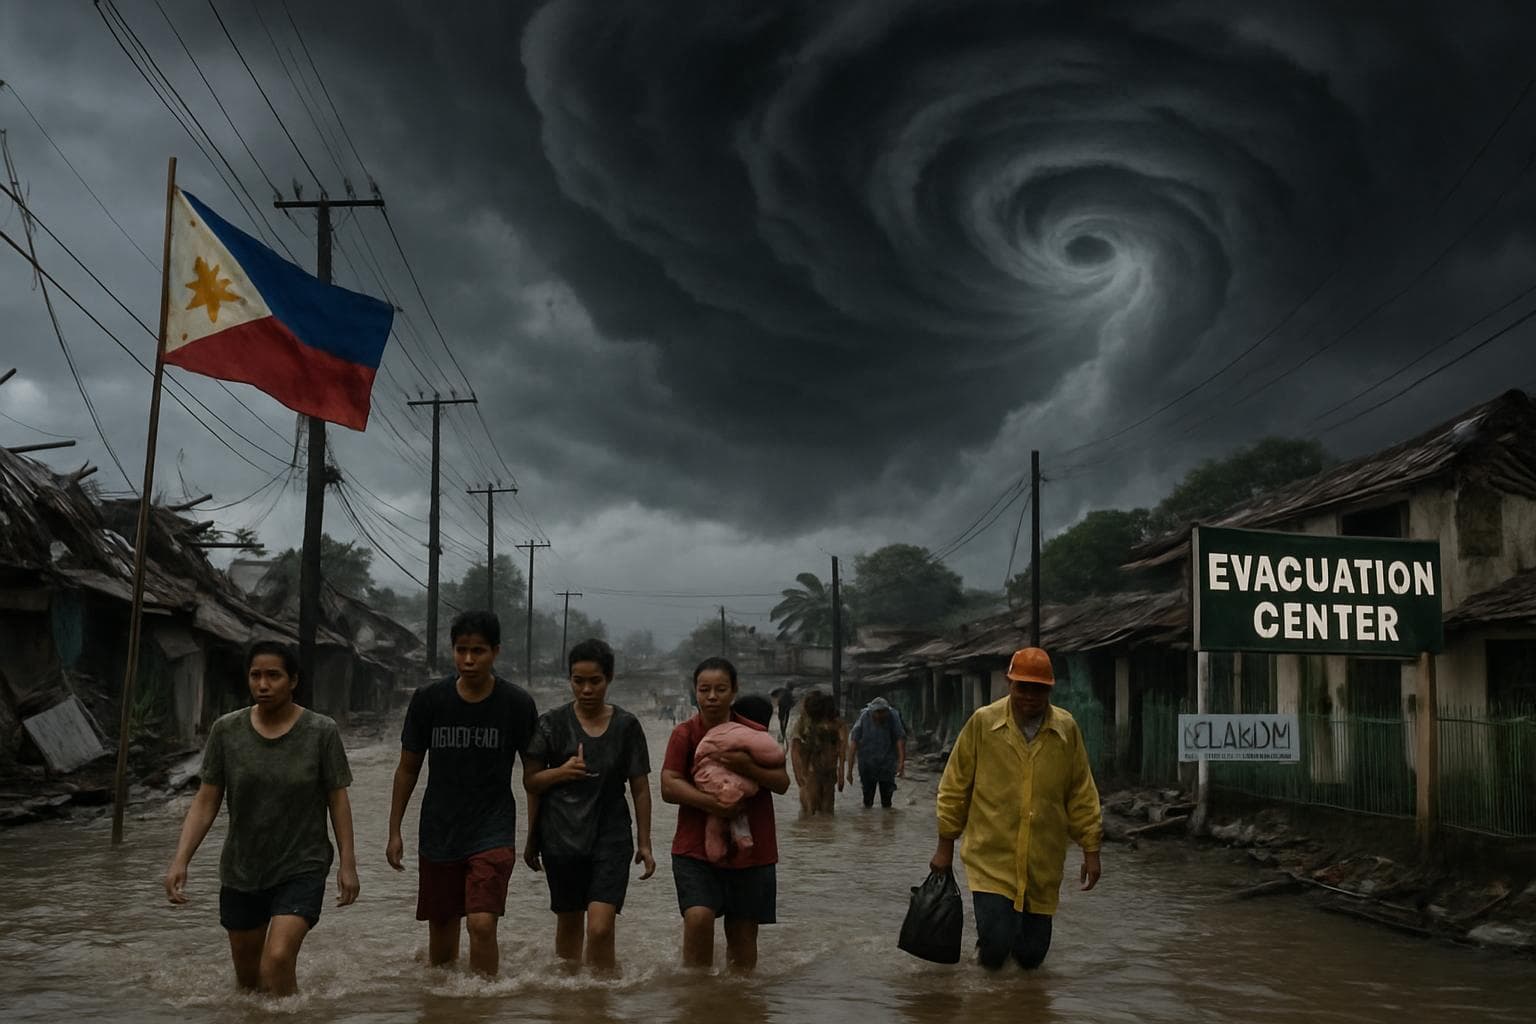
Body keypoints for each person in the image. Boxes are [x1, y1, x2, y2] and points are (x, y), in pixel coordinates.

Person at [163, 640, 358, 997]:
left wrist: (348, 864)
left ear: (293, 680)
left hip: (302, 864)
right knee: (249, 983)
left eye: (274, 676)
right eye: (256, 676)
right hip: (243, 868)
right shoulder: (227, 731)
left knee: (278, 959)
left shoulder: (321, 731)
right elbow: (206, 801)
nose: (263, 685)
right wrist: (180, 860)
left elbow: (337, 800)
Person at [928, 647, 1103, 971]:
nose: (1030, 697)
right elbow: (955, 786)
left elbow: (1081, 792)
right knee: (996, 949)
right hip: (991, 859)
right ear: (1010, 685)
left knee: (1032, 957)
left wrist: (1091, 849)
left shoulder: (1066, 731)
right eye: (1023, 687)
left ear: (1050, 689)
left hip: (1042, 861)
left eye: (1039, 689)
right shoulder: (983, 724)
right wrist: (944, 846)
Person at [386, 610, 538, 976]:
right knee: (441, 937)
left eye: (479, 651)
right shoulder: (429, 700)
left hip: (493, 828)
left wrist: (535, 835)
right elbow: (408, 767)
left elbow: (533, 775)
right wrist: (394, 830)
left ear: (496, 652)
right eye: (461, 650)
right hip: (439, 829)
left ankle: (483, 1003)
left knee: (482, 924)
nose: (469, 660)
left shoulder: (517, 704)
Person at [523, 638, 654, 971]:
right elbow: (531, 782)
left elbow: (640, 787)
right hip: (560, 836)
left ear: (608, 679)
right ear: (570, 679)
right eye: (578, 681)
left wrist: (645, 842)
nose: (586, 689)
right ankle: (572, 1001)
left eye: (594, 681)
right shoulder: (550, 723)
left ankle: (600, 999)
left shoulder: (627, 726)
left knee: (600, 926)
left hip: (610, 835)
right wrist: (561, 773)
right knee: (568, 924)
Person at [660, 657, 790, 972]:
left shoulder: (754, 734)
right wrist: (713, 805)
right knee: (698, 918)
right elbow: (668, 785)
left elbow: (782, 783)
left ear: (734, 691)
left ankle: (736, 1008)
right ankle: (698, 1001)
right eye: (705, 689)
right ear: (695, 692)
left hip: (753, 850)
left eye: (720, 689)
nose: (712, 696)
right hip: (694, 848)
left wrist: (747, 768)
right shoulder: (684, 734)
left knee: (743, 940)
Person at [789, 690, 846, 815]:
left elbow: (842, 746)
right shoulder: (803, 722)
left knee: (827, 810)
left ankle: (822, 833)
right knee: (810, 809)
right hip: (810, 771)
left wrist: (841, 772)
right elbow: (795, 748)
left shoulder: (835, 722)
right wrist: (798, 773)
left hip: (829, 770)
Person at [846, 696, 906, 809]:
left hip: (887, 763)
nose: (879, 716)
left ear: (887, 712)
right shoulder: (864, 717)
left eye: (883, 712)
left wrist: (901, 763)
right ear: (872, 711)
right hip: (867, 763)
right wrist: (849, 771)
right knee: (867, 801)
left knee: (887, 801)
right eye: (877, 712)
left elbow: (900, 739)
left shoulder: (893, 717)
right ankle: (866, 825)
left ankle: (887, 825)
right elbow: (854, 742)